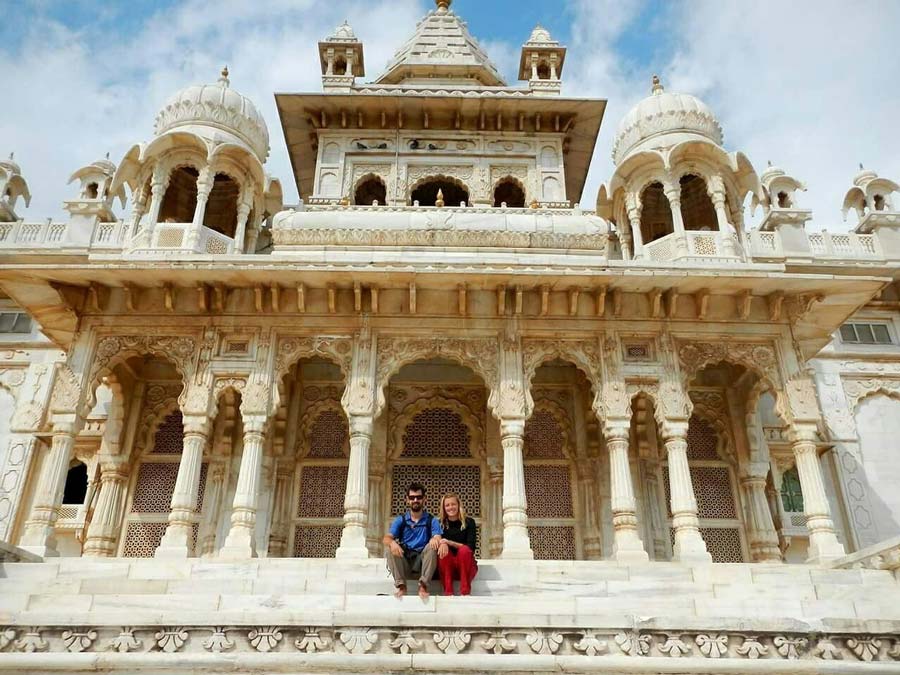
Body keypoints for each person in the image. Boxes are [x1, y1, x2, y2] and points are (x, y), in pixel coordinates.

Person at [383, 482, 443, 599]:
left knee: (432, 546)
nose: (415, 500)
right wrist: (392, 543)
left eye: (419, 497)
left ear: (424, 499)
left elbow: (438, 537)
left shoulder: (432, 520)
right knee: (390, 549)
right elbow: (386, 538)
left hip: (423, 563)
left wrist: (434, 539)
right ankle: (401, 586)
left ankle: (423, 586)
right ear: (407, 500)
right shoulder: (401, 520)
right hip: (406, 562)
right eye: (412, 497)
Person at [436, 492, 478, 596]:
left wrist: (449, 542)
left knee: (464, 550)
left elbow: (470, 547)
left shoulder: (469, 522)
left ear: (458, 505)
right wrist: (442, 543)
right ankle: (448, 591)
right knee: (443, 551)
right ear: (444, 508)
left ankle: (465, 591)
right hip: (447, 567)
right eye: (447, 505)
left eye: (453, 504)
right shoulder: (439, 523)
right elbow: (437, 541)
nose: (451, 507)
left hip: (465, 566)